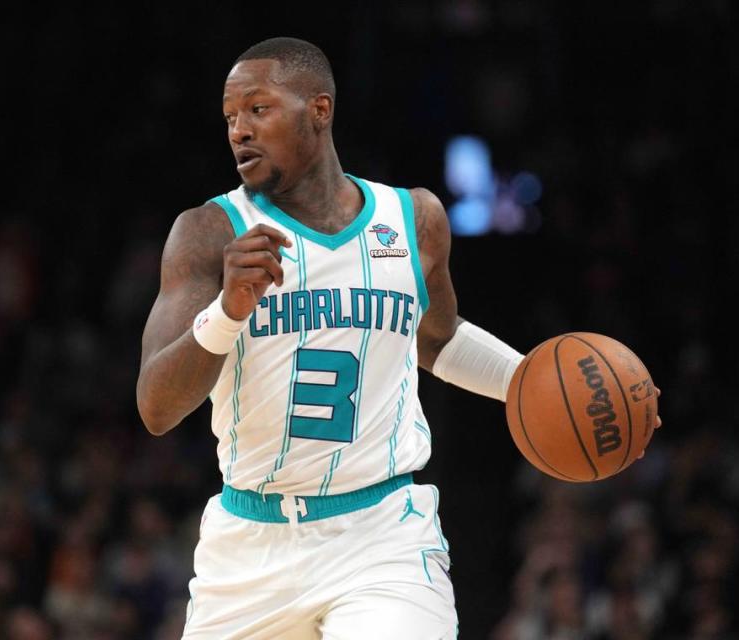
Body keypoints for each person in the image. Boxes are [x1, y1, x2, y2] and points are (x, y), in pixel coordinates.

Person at [136, 37, 658, 639]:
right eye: (230, 117)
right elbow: (155, 407)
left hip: (380, 535)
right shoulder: (207, 233)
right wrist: (226, 313)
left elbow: (435, 340)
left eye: (258, 109)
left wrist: (532, 381)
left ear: (319, 110)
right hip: (249, 545)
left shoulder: (414, 219)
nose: (239, 131)